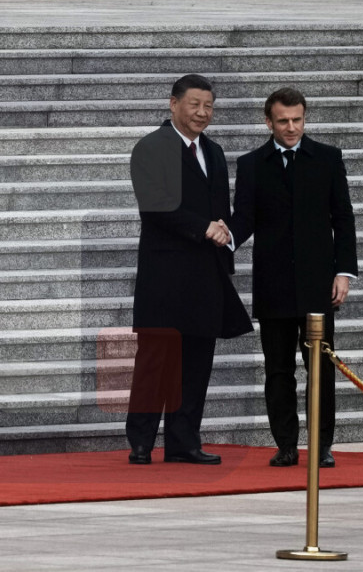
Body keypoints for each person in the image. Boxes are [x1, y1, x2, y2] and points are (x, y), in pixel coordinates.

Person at [126, 74, 253, 465]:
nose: (202, 113)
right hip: (165, 276)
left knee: (197, 362)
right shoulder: (151, 147)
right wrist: (203, 228)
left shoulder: (213, 151)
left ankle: (184, 441)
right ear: (173, 104)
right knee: (155, 362)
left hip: (205, 274)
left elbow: (220, 208)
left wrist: (227, 233)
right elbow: (155, 205)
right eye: (195, 104)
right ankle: (141, 441)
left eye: (208, 106)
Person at [229, 87, 358, 468]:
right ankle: (285, 445)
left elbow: (343, 217)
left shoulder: (328, 158)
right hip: (273, 285)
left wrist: (343, 272)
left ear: (305, 118)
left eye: (297, 120)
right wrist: (224, 238)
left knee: (321, 368)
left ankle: (321, 444)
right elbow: (244, 220)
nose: (291, 127)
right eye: (283, 121)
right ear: (268, 122)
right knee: (278, 371)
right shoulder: (252, 164)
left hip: (318, 285)